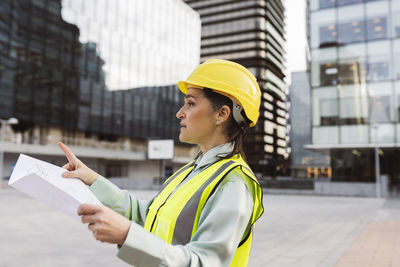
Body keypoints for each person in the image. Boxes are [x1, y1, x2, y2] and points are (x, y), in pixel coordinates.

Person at [59, 59, 264, 267]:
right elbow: (147, 216)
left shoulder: (233, 185)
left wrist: (127, 235)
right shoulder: (191, 171)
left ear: (222, 114)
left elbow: (203, 262)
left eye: (190, 103)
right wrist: (92, 180)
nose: (180, 113)